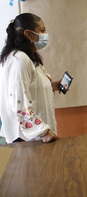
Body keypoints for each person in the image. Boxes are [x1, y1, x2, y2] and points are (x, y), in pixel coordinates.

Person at [0, 13, 60, 143]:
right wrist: (42, 131)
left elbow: (29, 87)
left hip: (34, 135)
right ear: (28, 34)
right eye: (42, 30)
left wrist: (51, 86)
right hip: (27, 137)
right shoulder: (19, 59)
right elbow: (18, 100)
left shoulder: (28, 58)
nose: (45, 34)